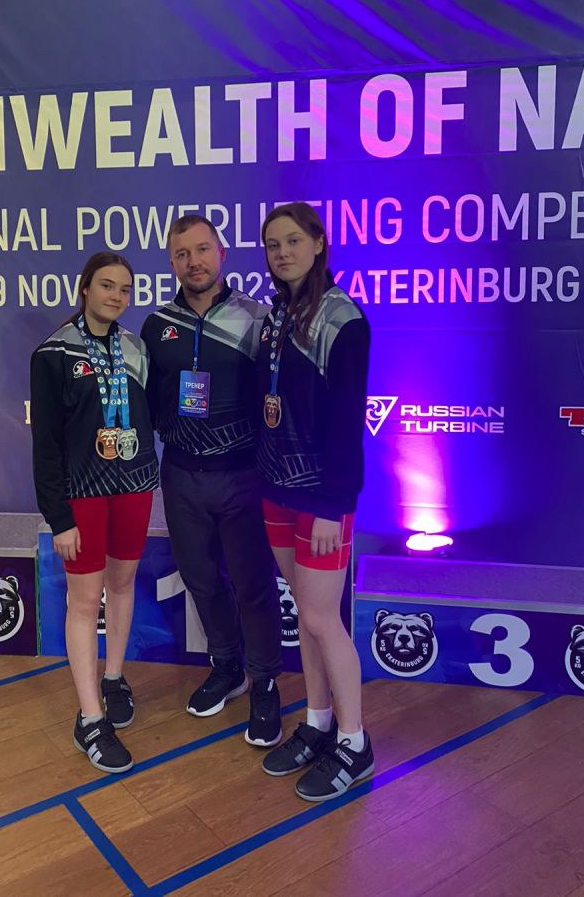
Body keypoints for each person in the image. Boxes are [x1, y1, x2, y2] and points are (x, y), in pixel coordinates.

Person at [141, 215, 284, 748]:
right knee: (201, 579)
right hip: (181, 475)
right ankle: (228, 667)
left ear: (221, 253)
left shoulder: (257, 318)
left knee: (253, 583)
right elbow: (149, 401)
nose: (193, 262)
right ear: (171, 262)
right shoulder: (157, 325)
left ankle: (265, 681)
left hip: (243, 474)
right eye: (182, 254)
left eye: (202, 250)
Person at [256, 202, 373, 802]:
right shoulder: (276, 315)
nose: (282, 253)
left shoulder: (342, 318)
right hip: (276, 491)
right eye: (273, 245)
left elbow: (349, 421)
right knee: (306, 614)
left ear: (320, 242)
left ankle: (355, 743)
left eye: (293, 241)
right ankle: (318, 721)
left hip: (322, 498)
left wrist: (333, 504)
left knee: (325, 619)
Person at [30, 251, 158, 774]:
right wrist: (58, 517)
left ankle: (113, 676)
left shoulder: (137, 348)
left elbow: (151, 414)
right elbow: (45, 445)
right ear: (84, 288)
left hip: (134, 486)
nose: (116, 296)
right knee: (85, 601)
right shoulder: (53, 353)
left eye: (125, 289)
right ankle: (90, 718)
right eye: (107, 285)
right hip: (82, 494)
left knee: (122, 585)